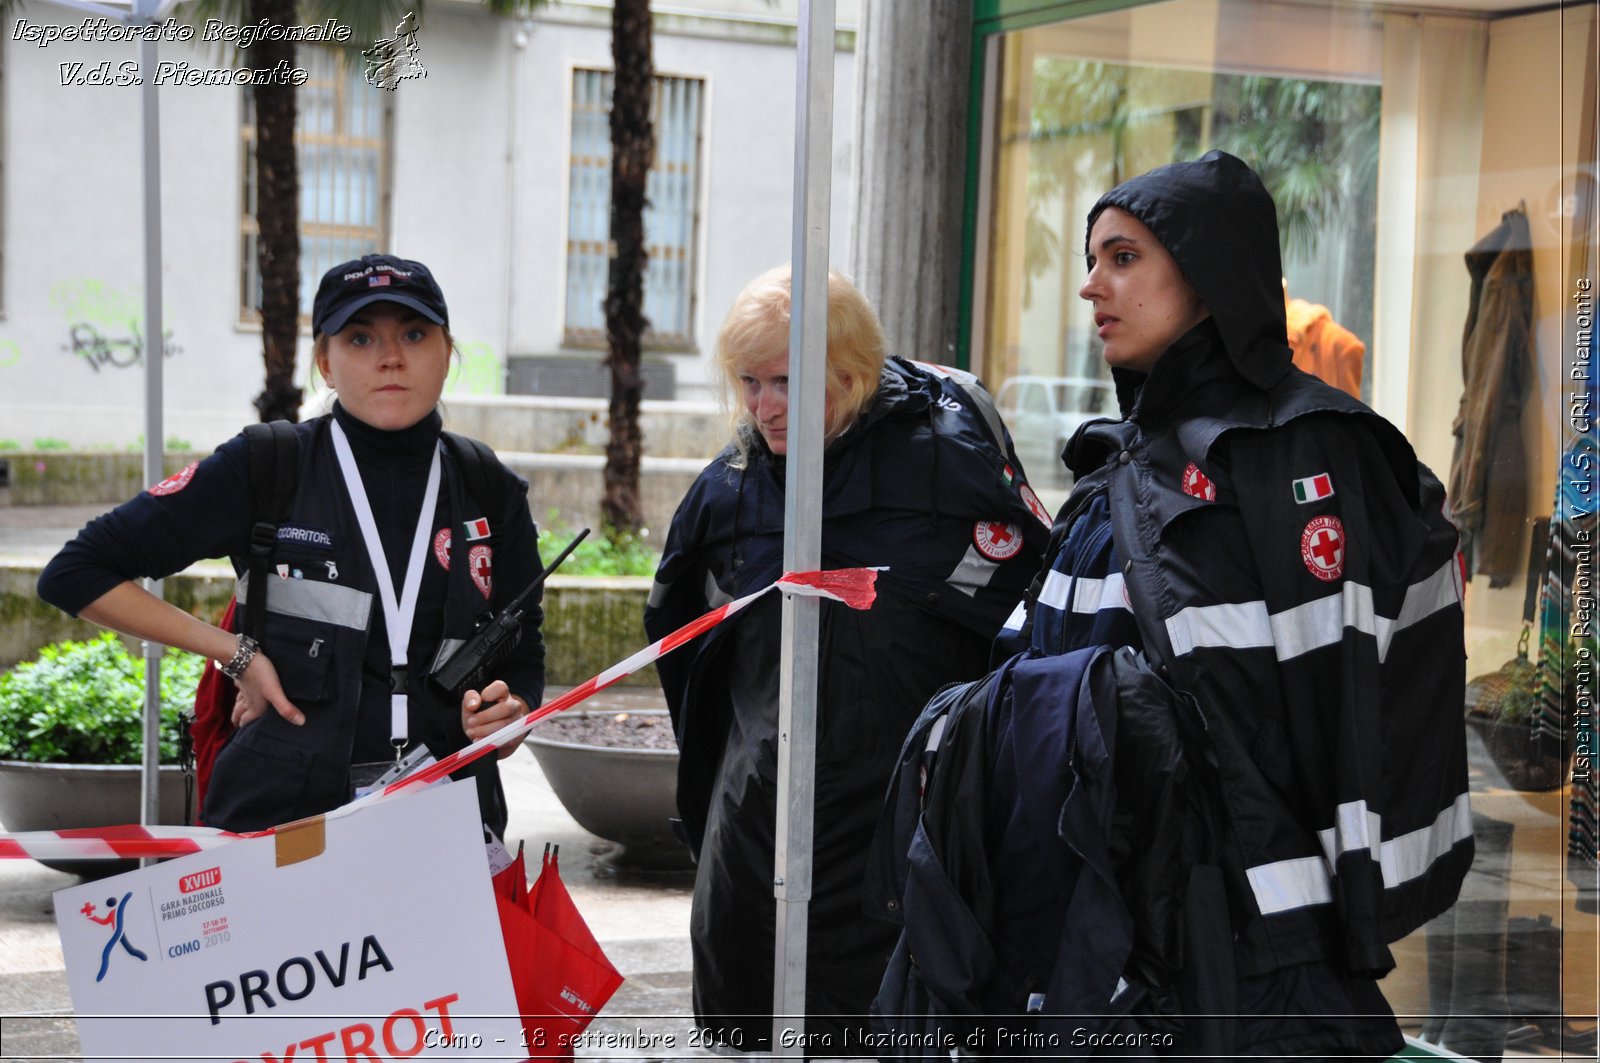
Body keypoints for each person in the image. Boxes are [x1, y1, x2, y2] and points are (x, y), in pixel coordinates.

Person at [973, 151, 1471, 1056]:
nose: (1090, 288)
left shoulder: (1305, 453)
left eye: (1123, 259)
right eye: (1092, 260)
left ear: (1205, 280)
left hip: (1257, 961)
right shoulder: (1119, 465)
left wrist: (1346, 927)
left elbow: (1350, 714)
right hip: (1109, 939)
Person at [644, 266, 1049, 1051]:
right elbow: (682, 646)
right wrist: (724, 787)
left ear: (852, 371)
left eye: (790, 381)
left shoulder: (950, 469)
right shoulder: (729, 492)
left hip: (902, 852)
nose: (765, 406)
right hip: (756, 853)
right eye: (750, 382)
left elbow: (1030, 630)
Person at [37, 254, 543, 837]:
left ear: (447, 352)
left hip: (447, 819)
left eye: (414, 333)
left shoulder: (487, 486)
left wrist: (513, 714)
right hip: (282, 817)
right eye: (360, 337)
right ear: (325, 362)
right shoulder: (266, 464)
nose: (391, 357)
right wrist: (234, 652)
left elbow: (523, 647)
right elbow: (75, 572)